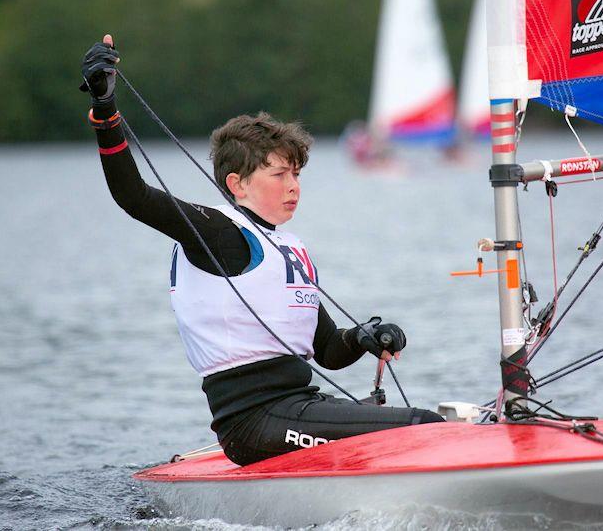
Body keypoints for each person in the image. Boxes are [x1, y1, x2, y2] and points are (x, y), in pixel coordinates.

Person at [81, 35, 443, 466]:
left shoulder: (288, 248)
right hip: (253, 424)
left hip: (297, 407)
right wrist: (105, 110)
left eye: (296, 174)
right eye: (279, 174)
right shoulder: (218, 232)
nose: (294, 186)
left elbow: (327, 350)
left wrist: (363, 336)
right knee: (423, 426)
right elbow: (133, 195)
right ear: (237, 184)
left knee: (430, 417)